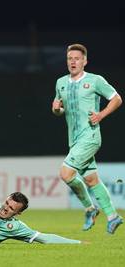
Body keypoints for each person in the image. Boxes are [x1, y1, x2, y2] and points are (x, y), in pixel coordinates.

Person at [52, 43, 123, 234]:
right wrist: (56, 109)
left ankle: (90, 209)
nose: (73, 61)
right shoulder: (61, 83)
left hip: (90, 137)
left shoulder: (95, 80)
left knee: (66, 174)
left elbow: (117, 98)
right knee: (92, 180)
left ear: (85, 61)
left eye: (77, 58)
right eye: (70, 58)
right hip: (74, 140)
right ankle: (113, 216)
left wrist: (101, 115)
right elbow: (60, 109)